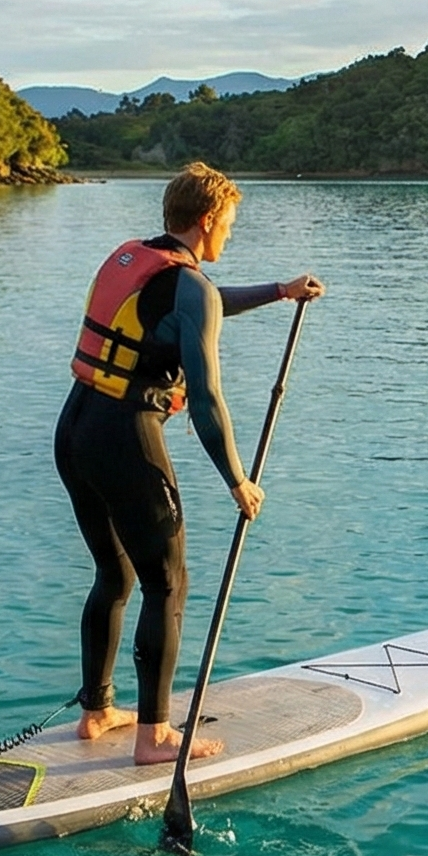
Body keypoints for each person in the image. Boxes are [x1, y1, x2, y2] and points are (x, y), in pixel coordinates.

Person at [54, 162, 322, 764]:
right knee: (168, 583)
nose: (230, 235)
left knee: (116, 577)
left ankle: (97, 712)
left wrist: (280, 291)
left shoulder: (139, 259)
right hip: (126, 438)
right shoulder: (187, 286)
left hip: (74, 430)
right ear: (207, 221)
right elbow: (205, 398)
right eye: (228, 224)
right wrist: (237, 480)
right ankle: (156, 735)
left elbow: (200, 304)